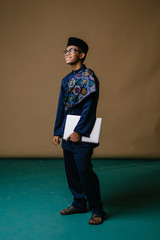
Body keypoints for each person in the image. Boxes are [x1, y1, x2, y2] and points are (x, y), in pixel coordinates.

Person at [53, 37, 105, 225]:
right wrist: (57, 131)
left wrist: (79, 131)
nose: (67, 53)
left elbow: (89, 107)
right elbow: (61, 106)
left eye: (71, 50)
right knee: (71, 169)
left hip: (82, 129)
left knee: (84, 169)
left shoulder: (89, 77)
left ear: (81, 55)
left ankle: (97, 208)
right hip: (67, 129)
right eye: (65, 51)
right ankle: (79, 202)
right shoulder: (66, 80)